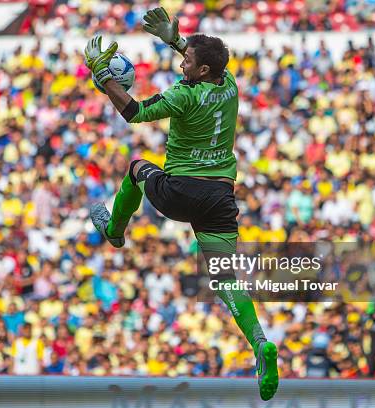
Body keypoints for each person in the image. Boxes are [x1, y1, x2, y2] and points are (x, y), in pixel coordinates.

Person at [83, 7, 278, 400]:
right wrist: (174, 39)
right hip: (220, 199)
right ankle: (260, 344)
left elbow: (134, 112)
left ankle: (114, 231)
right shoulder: (231, 85)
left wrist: (103, 78)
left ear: (201, 71)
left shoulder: (182, 95)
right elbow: (201, 58)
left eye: (186, 60)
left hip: (181, 192)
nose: (181, 63)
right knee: (226, 280)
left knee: (137, 167)